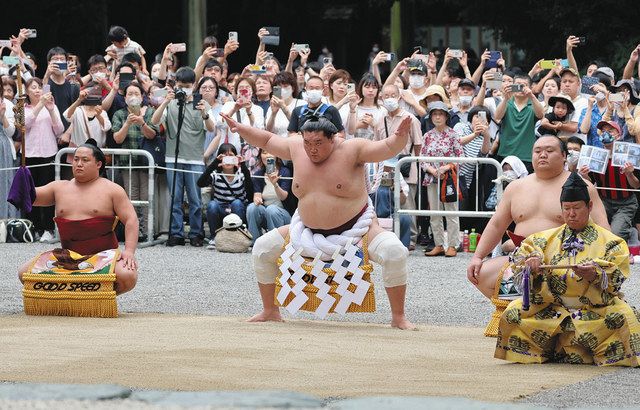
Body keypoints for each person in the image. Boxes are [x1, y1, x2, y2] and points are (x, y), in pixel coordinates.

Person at [220, 111, 415, 329]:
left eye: (319, 143)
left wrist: (400, 136)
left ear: (333, 138)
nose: (312, 148)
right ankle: (270, 310)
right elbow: (267, 139)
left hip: (357, 230)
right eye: (307, 142)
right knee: (262, 248)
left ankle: (398, 317)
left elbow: (388, 147)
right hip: (305, 231)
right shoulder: (296, 148)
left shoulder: (353, 149)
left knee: (395, 252)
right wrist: (240, 128)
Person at [494, 172, 640, 367]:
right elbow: (522, 259)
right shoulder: (544, 238)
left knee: (625, 317)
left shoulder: (612, 242)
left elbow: (617, 276)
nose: (571, 214)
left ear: (589, 206)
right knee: (512, 312)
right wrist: (531, 264)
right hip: (551, 308)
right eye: (567, 208)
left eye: (577, 208)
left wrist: (596, 274)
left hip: (594, 310)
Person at [467, 136, 610, 300]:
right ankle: (519, 311)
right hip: (522, 258)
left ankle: (553, 310)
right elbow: (497, 225)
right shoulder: (516, 187)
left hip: (566, 261)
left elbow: (602, 226)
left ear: (564, 156)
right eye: (537, 151)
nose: (543, 155)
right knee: (480, 274)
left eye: (549, 151)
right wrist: (477, 257)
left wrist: (600, 261)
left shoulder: (580, 186)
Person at [18, 140, 138, 295]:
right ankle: (70, 296)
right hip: (67, 256)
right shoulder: (59, 188)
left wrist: (129, 251)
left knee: (127, 275)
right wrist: (23, 176)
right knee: (24, 273)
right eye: (76, 159)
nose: (79, 164)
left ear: (98, 164)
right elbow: (28, 197)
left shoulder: (112, 190)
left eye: (85, 160)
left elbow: (131, 219)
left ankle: (99, 295)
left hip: (103, 256)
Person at [151, 67, 215, 247]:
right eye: (180, 85)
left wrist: (204, 113)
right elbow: (155, 121)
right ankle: (176, 233)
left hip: (194, 158)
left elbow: (211, 128)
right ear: (175, 85)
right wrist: (165, 101)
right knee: (175, 198)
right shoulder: (171, 103)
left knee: (195, 200)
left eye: (187, 86)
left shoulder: (201, 102)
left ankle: (196, 233)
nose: (184, 89)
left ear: (193, 85)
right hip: (173, 157)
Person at [111, 82, 160, 240]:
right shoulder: (119, 114)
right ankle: (133, 232)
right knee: (131, 198)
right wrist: (127, 124)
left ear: (142, 97)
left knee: (146, 197)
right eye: (130, 94)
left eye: (136, 94)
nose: (133, 97)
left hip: (146, 164)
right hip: (128, 163)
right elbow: (117, 139)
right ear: (124, 98)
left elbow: (152, 134)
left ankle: (147, 231)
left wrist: (142, 123)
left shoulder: (150, 112)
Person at [579, 121, 640, 242]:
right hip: (603, 202)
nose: (605, 134)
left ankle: (629, 234)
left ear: (619, 135)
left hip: (626, 203)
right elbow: (591, 183)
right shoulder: (595, 155)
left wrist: (629, 173)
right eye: (603, 131)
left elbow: (636, 185)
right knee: (595, 231)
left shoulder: (631, 155)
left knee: (616, 233)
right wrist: (584, 175)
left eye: (610, 131)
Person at [420, 101, 464, 257]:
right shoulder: (427, 136)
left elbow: (460, 157)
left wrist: (446, 167)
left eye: (441, 114)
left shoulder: (453, 134)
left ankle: (453, 245)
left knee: (451, 212)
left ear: (446, 116)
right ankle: (438, 244)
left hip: (448, 179)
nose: (437, 117)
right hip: (432, 179)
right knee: (435, 212)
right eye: (434, 114)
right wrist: (431, 169)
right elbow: (422, 158)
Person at [24, 77, 64, 242]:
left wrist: (51, 109)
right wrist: (40, 105)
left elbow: (60, 130)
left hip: (49, 154)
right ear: (27, 91)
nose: (37, 90)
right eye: (33, 87)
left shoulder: (51, 107)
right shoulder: (23, 107)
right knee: (30, 192)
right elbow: (23, 125)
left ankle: (48, 228)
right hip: (29, 155)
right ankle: (33, 227)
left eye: (39, 87)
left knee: (48, 193)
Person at [197, 143, 253, 248]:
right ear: (220, 158)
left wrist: (243, 166)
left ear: (236, 158)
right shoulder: (216, 175)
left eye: (231, 156)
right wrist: (214, 163)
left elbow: (250, 195)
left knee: (237, 203)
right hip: (220, 209)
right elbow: (200, 183)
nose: (228, 159)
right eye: (225, 156)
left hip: (238, 209)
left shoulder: (241, 174)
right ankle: (214, 238)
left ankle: (239, 236)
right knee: (212, 204)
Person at [494, 75, 545, 172]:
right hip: (505, 152)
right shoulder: (506, 103)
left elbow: (541, 114)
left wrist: (532, 96)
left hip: (527, 155)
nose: (520, 88)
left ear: (530, 88)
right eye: (517, 85)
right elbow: (497, 116)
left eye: (524, 85)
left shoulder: (533, 104)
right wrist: (505, 98)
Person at [246, 149, 293, 243]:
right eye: (264, 153)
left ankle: (276, 243)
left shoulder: (284, 172)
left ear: (277, 156)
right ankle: (255, 242)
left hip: (283, 214)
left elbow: (284, 196)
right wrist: (257, 199)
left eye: (271, 152)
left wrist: (275, 184)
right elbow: (257, 194)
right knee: (252, 207)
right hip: (266, 211)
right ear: (260, 156)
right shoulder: (258, 174)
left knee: (271, 209)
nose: (267, 156)